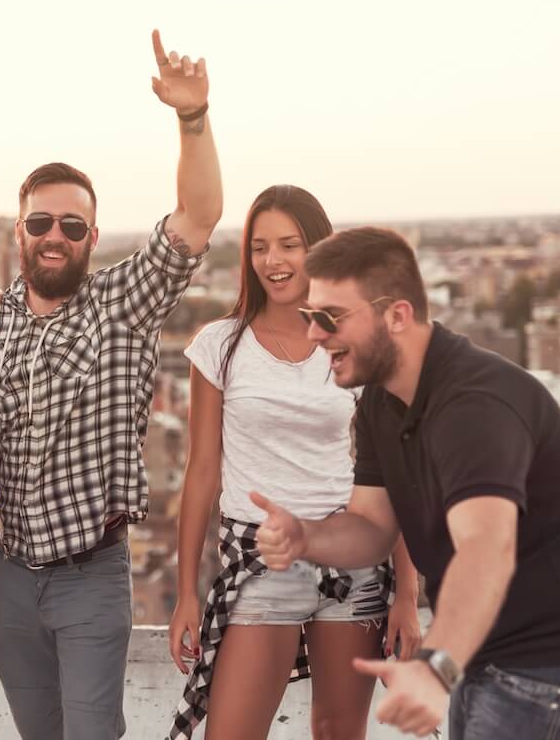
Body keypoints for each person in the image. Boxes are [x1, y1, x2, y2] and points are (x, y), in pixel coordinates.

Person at [0, 29, 222, 739]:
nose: (54, 235)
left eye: (70, 225)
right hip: (7, 577)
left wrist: (192, 118)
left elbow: (197, 219)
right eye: (39, 222)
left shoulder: (122, 303)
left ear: (92, 235)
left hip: (90, 574)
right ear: (18, 230)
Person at [252, 226, 560, 738]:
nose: (313, 334)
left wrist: (436, 667)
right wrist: (307, 537)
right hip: (486, 660)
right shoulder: (383, 401)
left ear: (396, 315)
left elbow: (487, 547)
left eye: (329, 318)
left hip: (543, 670)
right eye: (310, 317)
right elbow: (372, 528)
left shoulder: (473, 406)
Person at [166, 186, 421, 740]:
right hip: (261, 558)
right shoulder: (220, 345)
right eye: (260, 247)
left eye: (289, 245)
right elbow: (202, 471)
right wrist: (187, 591)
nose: (273, 261)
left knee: (337, 731)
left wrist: (406, 592)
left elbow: (389, 472)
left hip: (350, 557)